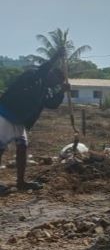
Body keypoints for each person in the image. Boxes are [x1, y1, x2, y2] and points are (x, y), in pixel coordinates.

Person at [0, 48, 69, 190]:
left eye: (57, 84)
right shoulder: (33, 75)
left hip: (20, 122)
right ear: (49, 74)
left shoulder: (45, 90)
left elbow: (52, 104)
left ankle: (21, 182)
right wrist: (56, 56)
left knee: (22, 148)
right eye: (55, 80)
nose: (54, 84)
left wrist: (61, 91)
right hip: (5, 114)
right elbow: (42, 71)